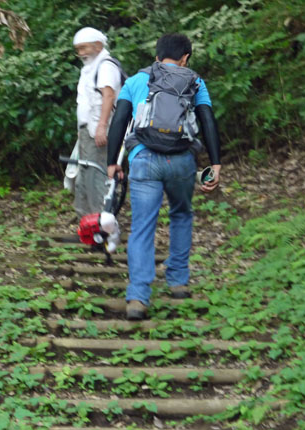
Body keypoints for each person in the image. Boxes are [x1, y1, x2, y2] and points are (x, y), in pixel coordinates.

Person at [106, 33, 221, 321]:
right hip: (182, 160)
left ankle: (137, 297)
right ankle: (178, 282)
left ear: (157, 56)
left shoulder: (135, 81)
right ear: (185, 58)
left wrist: (112, 163)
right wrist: (215, 163)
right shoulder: (194, 81)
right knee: (181, 214)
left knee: (143, 225)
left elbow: (119, 120)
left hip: (144, 159)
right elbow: (207, 119)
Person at [72, 27, 123, 219]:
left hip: (99, 130)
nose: (81, 53)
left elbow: (108, 96)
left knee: (96, 177)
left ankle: (101, 225)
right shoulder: (90, 68)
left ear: (98, 45)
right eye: (78, 49)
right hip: (88, 131)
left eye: (84, 48)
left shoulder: (106, 66)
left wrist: (102, 126)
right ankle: (87, 224)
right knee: (83, 178)